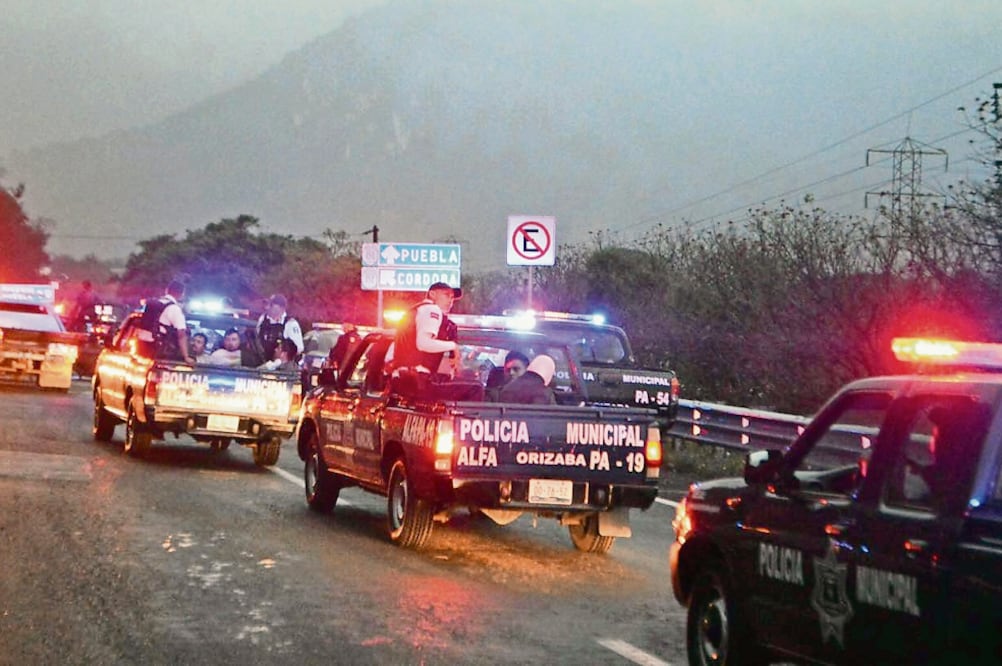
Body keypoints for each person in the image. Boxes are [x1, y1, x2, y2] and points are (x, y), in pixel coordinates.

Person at [389, 282, 481, 400]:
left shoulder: (414, 311)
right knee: (476, 388)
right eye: (446, 295)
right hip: (417, 381)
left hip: (404, 381)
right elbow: (423, 344)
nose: (450, 301)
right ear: (432, 294)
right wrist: (453, 346)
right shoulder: (432, 309)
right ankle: (468, 418)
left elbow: (398, 343)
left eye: (452, 298)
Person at [138, 280, 194, 363]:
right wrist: (186, 357)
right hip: (158, 351)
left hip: (141, 347)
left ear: (167, 290)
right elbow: (181, 334)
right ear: (181, 294)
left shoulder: (153, 303)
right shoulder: (174, 309)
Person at [257, 294, 303, 360]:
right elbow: (257, 337)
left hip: (280, 365)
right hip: (262, 360)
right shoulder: (262, 319)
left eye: (271, 305)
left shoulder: (290, 323)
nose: (267, 307)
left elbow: (298, 348)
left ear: (281, 308)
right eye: (267, 304)